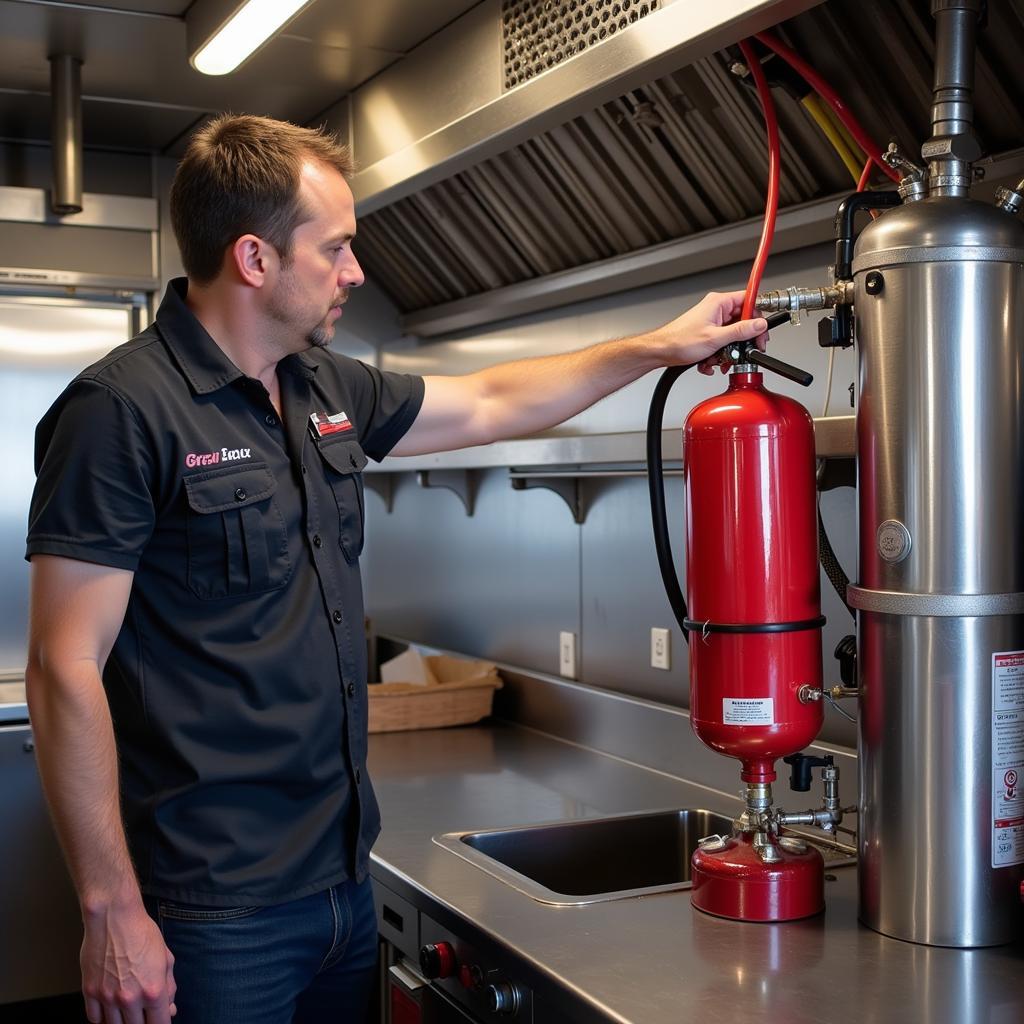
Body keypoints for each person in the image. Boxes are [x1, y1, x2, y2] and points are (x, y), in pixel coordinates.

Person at [24, 114, 768, 1024]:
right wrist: (112, 911)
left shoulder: (325, 385)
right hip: (213, 909)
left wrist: (661, 345)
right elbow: (64, 668)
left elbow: (495, 401)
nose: (355, 271)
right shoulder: (120, 411)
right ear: (254, 259)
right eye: (335, 247)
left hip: (342, 881)